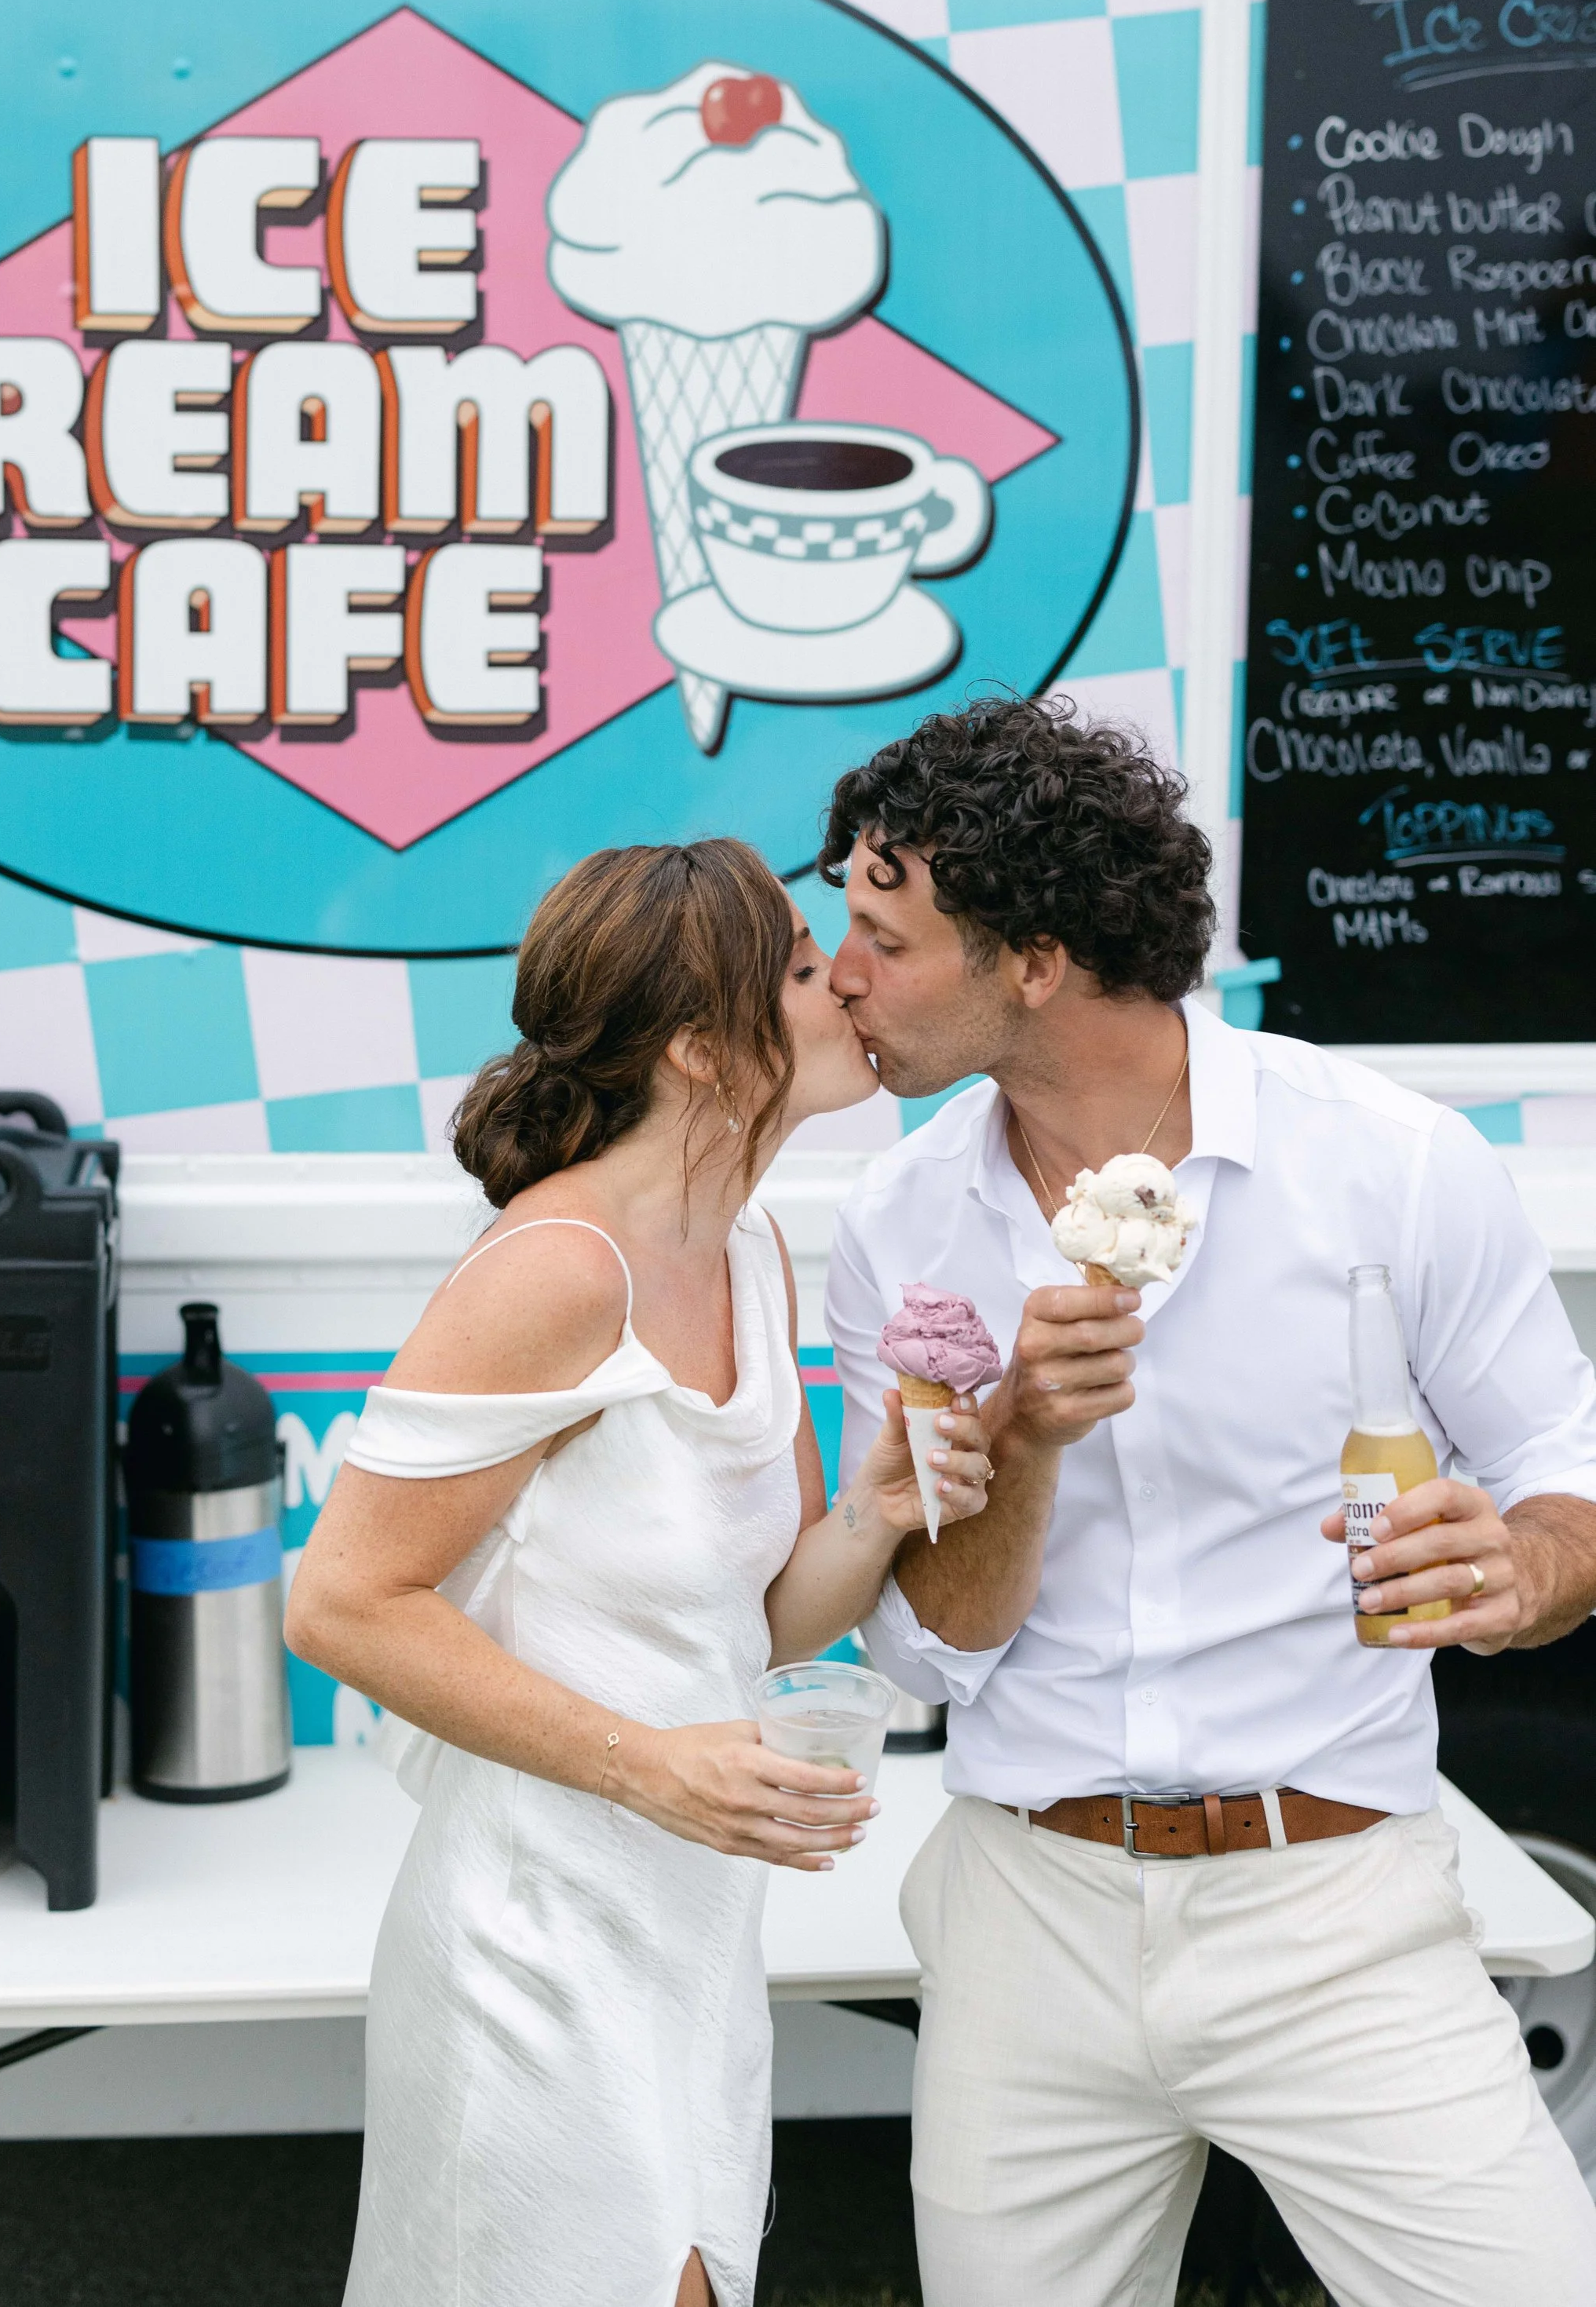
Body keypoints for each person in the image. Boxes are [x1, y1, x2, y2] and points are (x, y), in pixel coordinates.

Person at [819, 694, 1596, 2307]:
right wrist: (1021, 1438)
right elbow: (923, 1656)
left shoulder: (1385, 1160)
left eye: (883, 936)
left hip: (1335, 1906)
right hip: (1025, 1907)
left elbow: (1563, 1473)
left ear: (1032, 956)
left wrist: (1518, 1571)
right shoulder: (896, 1220)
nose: (839, 974)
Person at [288, 838, 992, 2307]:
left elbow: (774, 1616)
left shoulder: (752, 1252)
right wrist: (652, 1767)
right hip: (532, 1935)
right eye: (804, 969)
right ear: (696, 1044)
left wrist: (874, 1510)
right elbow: (341, 1601)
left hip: (691, 1927)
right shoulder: (557, 1269)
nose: (848, 979)